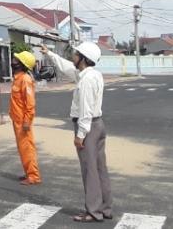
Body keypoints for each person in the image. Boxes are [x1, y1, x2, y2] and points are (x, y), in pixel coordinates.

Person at [40, 41, 112, 223]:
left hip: (88, 127)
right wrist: (50, 54)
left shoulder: (86, 80)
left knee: (90, 171)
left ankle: (93, 212)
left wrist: (80, 135)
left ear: (83, 59)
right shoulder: (91, 75)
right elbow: (66, 67)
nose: (73, 56)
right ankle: (105, 208)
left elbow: (86, 110)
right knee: (100, 168)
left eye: (76, 54)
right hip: (98, 125)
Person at [10, 50, 41, 186]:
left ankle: (33, 176)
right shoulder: (18, 79)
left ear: (21, 64)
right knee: (23, 148)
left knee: (27, 147)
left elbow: (30, 103)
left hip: (23, 121)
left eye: (16, 60)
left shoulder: (25, 80)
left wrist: (27, 121)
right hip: (17, 120)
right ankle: (29, 172)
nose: (13, 61)